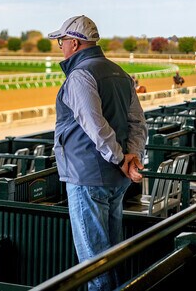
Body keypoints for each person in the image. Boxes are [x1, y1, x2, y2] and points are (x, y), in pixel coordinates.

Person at [48, 15, 148, 291]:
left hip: (87, 178)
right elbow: (138, 123)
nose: (60, 47)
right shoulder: (120, 73)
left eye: (61, 41)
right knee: (112, 255)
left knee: (93, 264)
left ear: (75, 43)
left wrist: (120, 159)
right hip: (117, 179)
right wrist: (132, 158)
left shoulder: (80, 76)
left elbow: (94, 125)